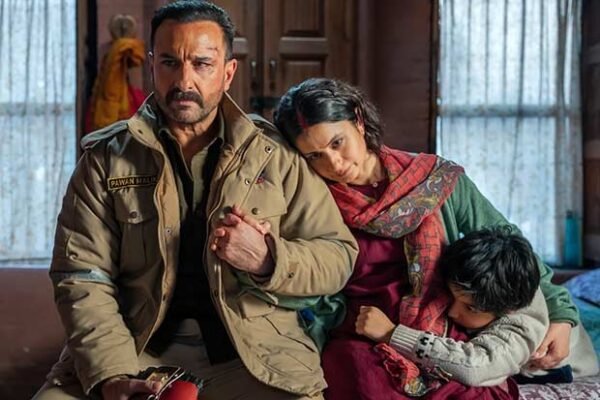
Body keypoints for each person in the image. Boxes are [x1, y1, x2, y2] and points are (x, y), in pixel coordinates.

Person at [33, 2, 357, 400]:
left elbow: (338, 255)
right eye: (170, 62)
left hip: (256, 356)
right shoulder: (105, 158)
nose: (184, 80)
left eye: (202, 64)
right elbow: (82, 274)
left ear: (228, 72)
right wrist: (112, 374)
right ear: (152, 65)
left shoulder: (275, 154)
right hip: (133, 347)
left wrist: (268, 259)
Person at [273, 78, 584, 399]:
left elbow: (510, 246)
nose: (334, 164)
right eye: (315, 156)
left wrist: (562, 314)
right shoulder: (314, 205)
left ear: (359, 120)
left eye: (337, 143)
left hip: (444, 329)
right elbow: (308, 278)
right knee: (364, 384)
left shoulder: (434, 179)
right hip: (364, 334)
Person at [357, 227, 598, 391]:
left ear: (507, 310)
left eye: (470, 308)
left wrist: (392, 334)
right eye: (452, 297)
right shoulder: (487, 282)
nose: (452, 312)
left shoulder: (521, 324)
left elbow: (476, 367)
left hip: (566, 371)